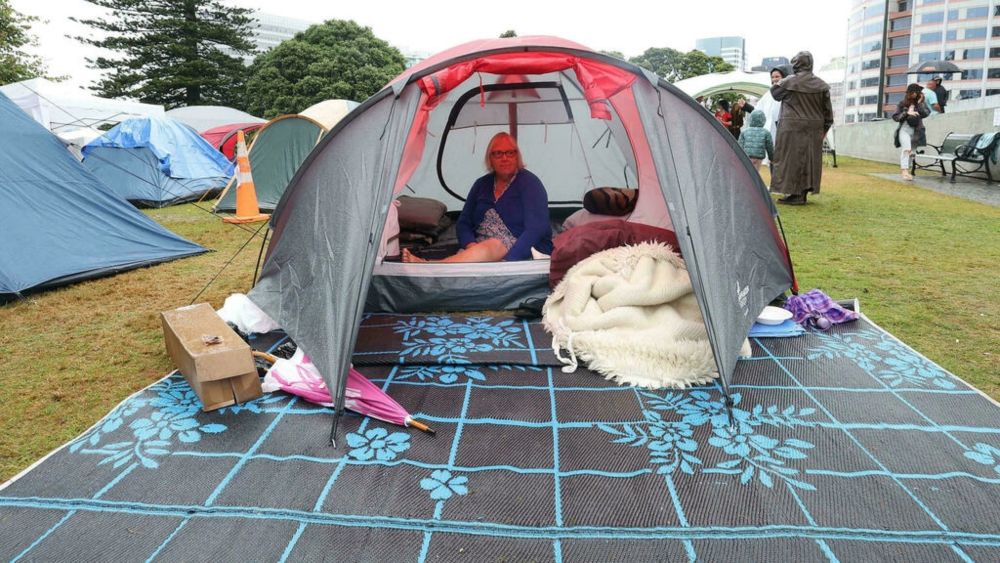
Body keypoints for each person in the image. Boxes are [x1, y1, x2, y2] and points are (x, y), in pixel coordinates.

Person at [402, 132, 552, 263]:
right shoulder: (481, 184)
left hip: (517, 248)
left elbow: (536, 228)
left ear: (517, 156)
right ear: (490, 159)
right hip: (480, 249)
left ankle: (429, 265)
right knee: (475, 254)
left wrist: (508, 260)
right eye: (498, 154)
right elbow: (463, 222)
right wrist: (471, 246)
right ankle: (447, 264)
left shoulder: (530, 183)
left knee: (493, 245)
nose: (505, 158)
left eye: (510, 153)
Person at [770, 52, 833, 205]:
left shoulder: (789, 81)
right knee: (809, 162)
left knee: (790, 160)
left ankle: (795, 194)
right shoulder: (821, 85)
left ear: (796, 64)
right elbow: (828, 113)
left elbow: (775, 93)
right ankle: (801, 193)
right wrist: (823, 129)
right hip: (814, 128)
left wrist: (787, 79)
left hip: (791, 128)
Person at [891, 83, 931, 181]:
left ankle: (907, 171)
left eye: (916, 92)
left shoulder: (920, 104)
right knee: (906, 149)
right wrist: (906, 113)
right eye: (913, 92)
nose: (914, 94)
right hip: (904, 130)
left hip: (917, 131)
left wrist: (920, 102)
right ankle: (904, 171)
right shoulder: (902, 103)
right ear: (909, 93)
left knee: (911, 153)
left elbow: (926, 113)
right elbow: (895, 117)